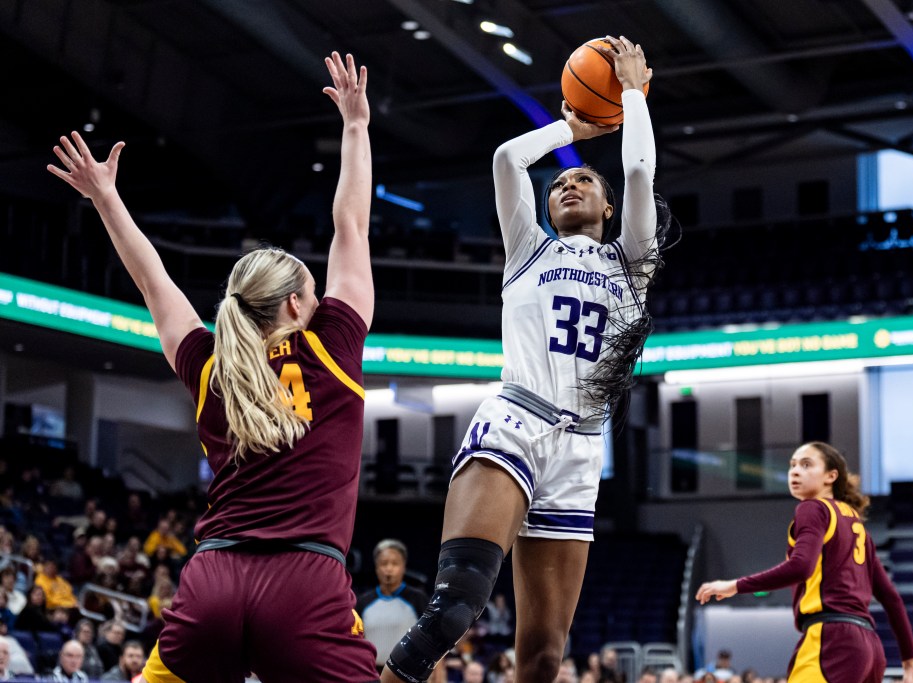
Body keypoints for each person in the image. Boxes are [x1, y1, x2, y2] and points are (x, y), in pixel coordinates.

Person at [48, 50, 376, 683]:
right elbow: (350, 225)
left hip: (213, 580)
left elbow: (152, 281)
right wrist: (356, 127)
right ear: (294, 304)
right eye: (312, 293)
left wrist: (105, 199)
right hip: (304, 582)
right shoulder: (331, 346)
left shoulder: (210, 365)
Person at [383, 35, 664, 683]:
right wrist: (570, 128)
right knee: (455, 608)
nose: (568, 183)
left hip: (581, 451)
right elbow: (509, 158)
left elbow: (643, 171)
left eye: (584, 179)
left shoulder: (631, 265)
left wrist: (630, 95)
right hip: (516, 421)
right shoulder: (528, 249)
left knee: (542, 654)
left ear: (609, 205)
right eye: (560, 182)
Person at [696, 442, 913, 683]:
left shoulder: (813, 509)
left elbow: (800, 567)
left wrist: (734, 585)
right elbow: (891, 598)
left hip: (831, 641)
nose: (795, 471)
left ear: (831, 476)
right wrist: (910, 662)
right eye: (792, 466)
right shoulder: (856, 525)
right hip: (868, 647)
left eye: (806, 465)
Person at [356, 539, 429, 671]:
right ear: (376, 567)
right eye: (384, 563)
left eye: (395, 564)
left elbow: (431, 641)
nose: (389, 569)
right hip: (370, 673)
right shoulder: (363, 602)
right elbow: (356, 642)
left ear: (403, 567)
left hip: (407, 673)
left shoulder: (418, 599)